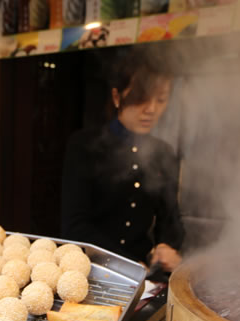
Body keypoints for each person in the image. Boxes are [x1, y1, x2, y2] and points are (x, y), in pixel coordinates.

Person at [60, 51, 184, 273]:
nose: (152, 109)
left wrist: (166, 245)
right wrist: (126, 265)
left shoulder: (164, 152)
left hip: (144, 272)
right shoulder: (84, 145)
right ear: (117, 97)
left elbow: (170, 219)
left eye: (161, 99)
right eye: (141, 98)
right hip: (91, 269)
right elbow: (74, 226)